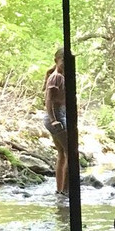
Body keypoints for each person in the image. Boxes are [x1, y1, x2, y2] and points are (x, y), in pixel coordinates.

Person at [43, 47, 69, 194]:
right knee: (70, 153)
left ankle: (60, 190)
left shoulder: (59, 76)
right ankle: (65, 191)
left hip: (58, 116)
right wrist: (54, 119)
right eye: (63, 60)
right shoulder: (57, 77)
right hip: (56, 117)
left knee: (62, 153)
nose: (65, 63)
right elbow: (49, 100)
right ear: (56, 60)